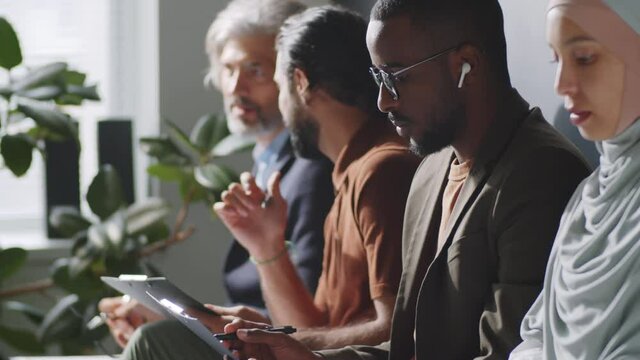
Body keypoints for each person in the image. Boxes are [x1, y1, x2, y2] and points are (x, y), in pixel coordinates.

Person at [220, 0, 592, 359]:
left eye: (396, 77)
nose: (383, 100)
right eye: (378, 77)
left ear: (467, 64)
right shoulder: (431, 169)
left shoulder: (541, 173)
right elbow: (407, 347)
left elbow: (505, 354)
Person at [98, 0, 333, 352]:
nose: (237, 86)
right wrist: (183, 317)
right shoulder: (268, 161)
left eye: (255, 69)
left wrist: (190, 321)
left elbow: (306, 314)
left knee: (151, 341)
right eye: (228, 69)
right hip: (248, 339)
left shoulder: (313, 169)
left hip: (286, 349)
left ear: (294, 77)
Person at [214, 5, 420, 351]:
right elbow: (316, 329)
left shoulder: (381, 171)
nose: (283, 105)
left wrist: (269, 341)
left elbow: (395, 331)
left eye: (280, 87)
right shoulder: (349, 171)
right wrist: (268, 248)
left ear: (300, 82)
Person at [511, 1, 640, 358]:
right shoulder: (588, 197)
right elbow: (537, 334)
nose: (561, 85)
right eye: (556, 60)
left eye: (584, 58)